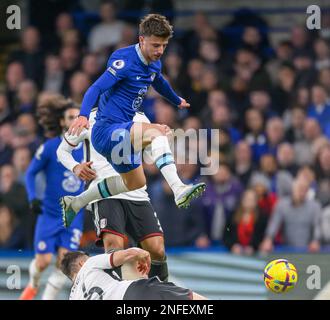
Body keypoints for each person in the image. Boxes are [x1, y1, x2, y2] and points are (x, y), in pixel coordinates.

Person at [61, 14, 206, 227]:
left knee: (135, 182)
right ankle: (178, 188)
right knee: (157, 132)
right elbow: (96, 87)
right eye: (156, 45)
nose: (160, 50)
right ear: (141, 40)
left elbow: (159, 81)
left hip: (122, 134)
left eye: (164, 45)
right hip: (106, 131)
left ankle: (75, 203)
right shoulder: (123, 60)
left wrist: (175, 100)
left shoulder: (154, 62)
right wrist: (83, 114)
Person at [57, 108, 168, 281]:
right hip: (103, 193)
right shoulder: (88, 118)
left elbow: (148, 157)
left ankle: (162, 294)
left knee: (157, 249)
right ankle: (114, 295)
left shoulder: (141, 116)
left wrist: (159, 140)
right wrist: (76, 167)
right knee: (114, 247)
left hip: (136, 193)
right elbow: (62, 151)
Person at [19, 95, 84, 300]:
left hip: (74, 215)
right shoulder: (50, 147)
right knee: (43, 261)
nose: (74, 120)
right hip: (50, 213)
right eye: (70, 116)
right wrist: (33, 198)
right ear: (62, 121)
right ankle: (33, 285)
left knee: (65, 262)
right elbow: (30, 173)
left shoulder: (90, 147)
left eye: (78, 116)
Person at [60, 248, 207, 300]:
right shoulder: (89, 264)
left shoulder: (74, 297)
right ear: (81, 263)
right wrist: (142, 253)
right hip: (132, 293)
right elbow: (125, 255)